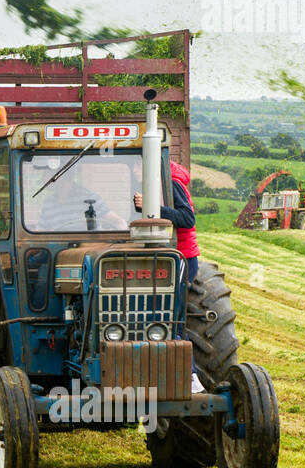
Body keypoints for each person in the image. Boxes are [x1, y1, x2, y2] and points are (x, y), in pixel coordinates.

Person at [135, 160, 202, 389]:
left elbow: (187, 218)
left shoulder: (172, 182)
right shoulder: (162, 181)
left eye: (138, 164)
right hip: (169, 256)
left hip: (180, 257)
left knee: (172, 317)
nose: (136, 170)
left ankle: (190, 377)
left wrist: (153, 207)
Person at [37, 172, 126, 231]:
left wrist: (121, 236)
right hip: (59, 250)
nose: (45, 181)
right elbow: (40, 232)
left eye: (47, 176)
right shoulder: (48, 203)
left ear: (59, 178)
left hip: (88, 247)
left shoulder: (89, 198)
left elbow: (118, 221)